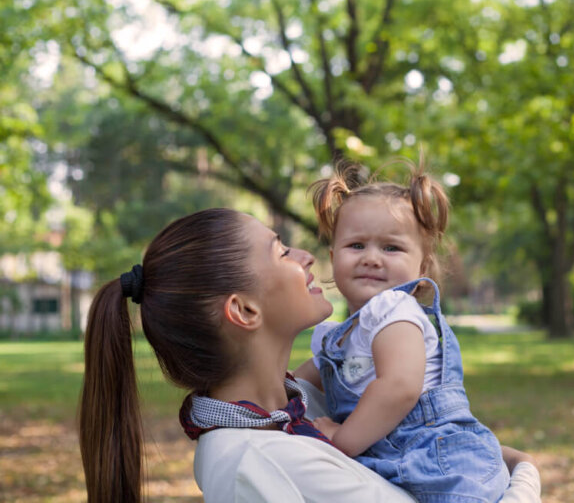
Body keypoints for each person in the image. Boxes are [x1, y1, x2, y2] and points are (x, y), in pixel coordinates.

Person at [78, 207, 540, 503]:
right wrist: (524, 473)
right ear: (243, 309)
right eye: (280, 251)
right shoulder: (259, 460)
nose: (307, 256)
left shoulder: (299, 404)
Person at [293, 161, 534, 502]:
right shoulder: (337, 339)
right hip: (396, 462)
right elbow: (292, 383)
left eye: (391, 248)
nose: (372, 258)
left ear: (421, 266)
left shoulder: (394, 312)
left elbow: (400, 387)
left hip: (442, 464)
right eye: (356, 246)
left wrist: (343, 439)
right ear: (333, 258)